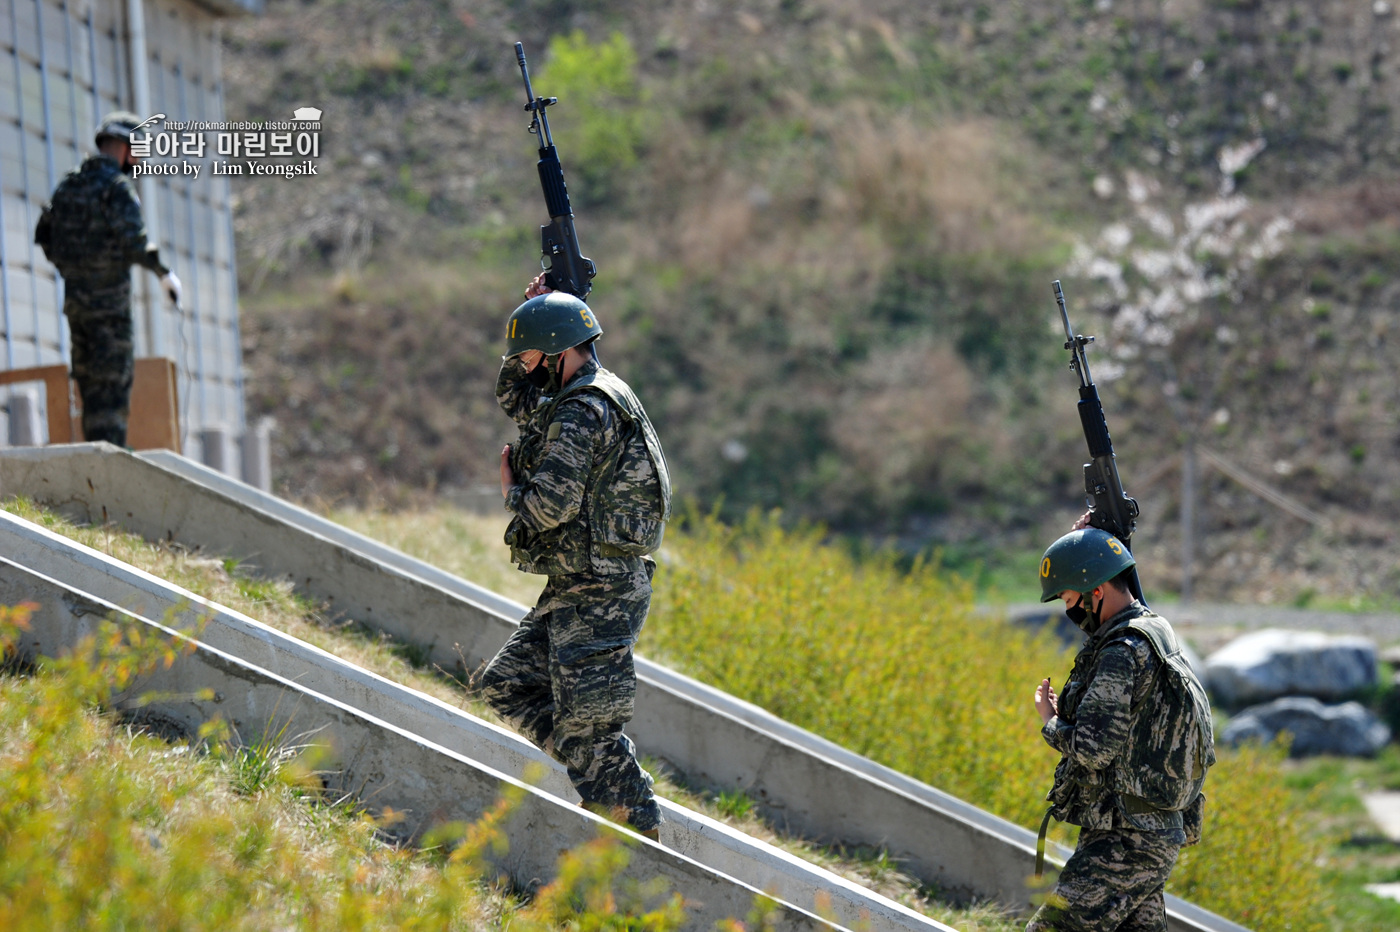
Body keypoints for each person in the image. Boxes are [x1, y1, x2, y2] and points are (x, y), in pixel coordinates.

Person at [475, 275, 668, 841]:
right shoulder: (579, 392)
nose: (522, 363)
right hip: (579, 585)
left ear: (557, 349)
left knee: (590, 729)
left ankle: (633, 826)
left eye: (529, 352)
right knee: (508, 685)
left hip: (601, 591)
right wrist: (539, 305)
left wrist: (513, 493)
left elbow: (552, 504)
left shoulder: (586, 408)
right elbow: (517, 397)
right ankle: (603, 779)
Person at [1027, 526, 1214, 932]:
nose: (1068, 610)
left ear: (1095, 590)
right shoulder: (1155, 630)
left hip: (1126, 841)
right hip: (1153, 830)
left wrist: (1052, 721)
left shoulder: (1120, 652)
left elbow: (1095, 750)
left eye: (1068, 597)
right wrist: (1093, 531)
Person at [35, 111, 181, 447]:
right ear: (126, 148)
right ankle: (111, 467)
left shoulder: (68, 186)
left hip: (77, 310)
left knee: (89, 391)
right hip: (110, 313)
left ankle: (96, 462)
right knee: (112, 393)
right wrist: (164, 274)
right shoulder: (116, 188)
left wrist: (75, 270)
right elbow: (135, 242)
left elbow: (45, 235)